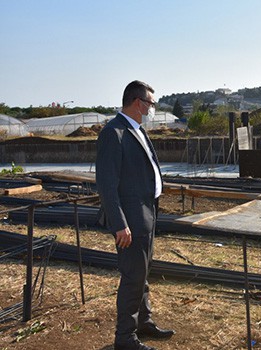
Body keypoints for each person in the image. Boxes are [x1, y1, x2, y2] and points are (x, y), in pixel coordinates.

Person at [96, 80, 174, 350]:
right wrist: (120, 224)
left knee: (143, 272)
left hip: (147, 214)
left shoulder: (136, 130)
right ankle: (125, 337)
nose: (152, 109)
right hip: (130, 220)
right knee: (133, 276)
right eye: (151, 104)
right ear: (139, 103)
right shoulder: (113, 133)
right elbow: (106, 185)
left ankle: (144, 321)